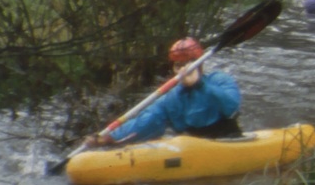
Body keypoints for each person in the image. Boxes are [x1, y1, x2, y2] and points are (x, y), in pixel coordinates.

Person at [86, 37, 244, 147]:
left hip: (228, 139)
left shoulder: (220, 80)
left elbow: (232, 106)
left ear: (200, 64)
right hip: (193, 148)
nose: (183, 69)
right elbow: (145, 122)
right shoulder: (171, 97)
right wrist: (109, 138)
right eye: (178, 65)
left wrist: (200, 84)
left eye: (189, 64)